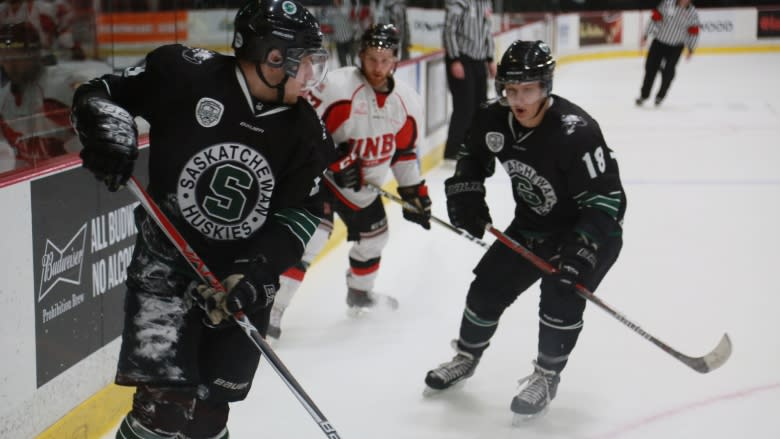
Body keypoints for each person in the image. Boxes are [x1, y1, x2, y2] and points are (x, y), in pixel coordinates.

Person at [69, 0, 334, 437]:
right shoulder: (184, 74)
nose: (310, 75)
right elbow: (98, 92)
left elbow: (300, 215)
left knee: (210, 417)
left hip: (240, 282)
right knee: (163, 412)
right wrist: (106, 123)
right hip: (165, 270)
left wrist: (255, 274)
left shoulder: (306, 131)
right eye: (303, 62)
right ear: (272, 58)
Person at [424, 40, 626, 421]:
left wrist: (582, 250)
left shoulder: (576, 132)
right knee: (486, 287)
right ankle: (466, 357)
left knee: (560, 297)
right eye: (510, 89)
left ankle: (547, 377)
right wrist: (466, 196)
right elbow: (471, 159)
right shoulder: (493, 118)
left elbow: (606, 201)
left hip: (590, 232)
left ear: (546, 87)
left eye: (528, 89)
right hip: (533, 225)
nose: (518, 98)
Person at [268, 23, 430, 339]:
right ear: (361, 56)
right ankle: (272, 310)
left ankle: (359, 293)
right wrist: (334, 159)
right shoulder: (336, 87)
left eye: (385, 60)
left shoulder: (408, 102)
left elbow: (405, 153)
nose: (378, 67)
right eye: (372, 59)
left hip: (365, 188)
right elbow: (302, 128)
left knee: (375, 239)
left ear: (396, 59)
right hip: (322, 180)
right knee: (310, 239)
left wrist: (415, 192)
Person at [0, 21, 97, 171]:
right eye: (5, 59)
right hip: (39, 186)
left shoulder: (62, 85)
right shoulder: (3, 100)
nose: (10, 65)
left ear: (35, 53)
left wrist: (71, 156)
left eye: (16, 57)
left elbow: (103, 128)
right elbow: (17, 158)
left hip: (76, 180)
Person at [442, 0, 496, 160]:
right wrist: (454, 59)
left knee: (481, 106)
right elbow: (449, 30)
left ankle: (475, 145)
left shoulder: (485, 2)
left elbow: (487, 30)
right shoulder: (459, 2)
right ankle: (453, 151)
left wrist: (490, 58)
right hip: (461, 58)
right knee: (464, 107)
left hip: (479, 59)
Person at [636, 0, 700, 107]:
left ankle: (660, 96)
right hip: (658, 43)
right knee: (650, 68)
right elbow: (655, 19)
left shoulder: (692, 13)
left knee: (669, 72)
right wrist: (646, 35)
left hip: (676, 47)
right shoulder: (667, 3)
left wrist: (691, 48)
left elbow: (693, 32)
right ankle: (644, 95)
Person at [0, 0, 86, 61]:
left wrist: (73, 47)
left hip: (41, 53)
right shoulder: (2, 10)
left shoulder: (44, 9)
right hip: (9, 53)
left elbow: (60, 30)